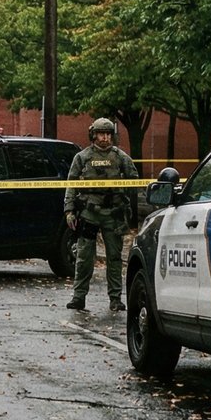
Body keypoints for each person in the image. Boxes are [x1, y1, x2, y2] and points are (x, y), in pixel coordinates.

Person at [63, 117, 139, 312]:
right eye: (100, 134)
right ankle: (79, 297)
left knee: (114, 258)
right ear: (93, 135)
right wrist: (69, 210)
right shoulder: (82, 157)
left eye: (107, 134)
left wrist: (131, 211)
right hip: (89, 213)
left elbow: (134, 183)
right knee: (84, 257)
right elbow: (71, 184)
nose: (104, 138)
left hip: (113, 214)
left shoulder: (121, 157)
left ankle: (115, 299)